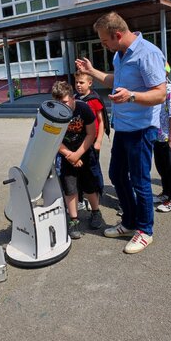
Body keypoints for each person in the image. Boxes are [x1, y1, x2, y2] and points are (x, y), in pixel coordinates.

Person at [76, 11, 166, 254]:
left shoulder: (148, 53)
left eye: (105, 41)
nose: (104, 45)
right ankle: (129, 222)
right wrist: (92, 71)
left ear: (117, 35)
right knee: (116, 175)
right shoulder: (120, 54)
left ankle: (145, 231)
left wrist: (132, 95)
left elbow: (160, 93)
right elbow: (115, 80)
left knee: (140, 181)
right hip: (123, 128)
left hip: (141, 129)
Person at [52, 81, 103, 239]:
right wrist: (69, 155)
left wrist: (78, 154)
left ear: (72, 98)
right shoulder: (53, 112)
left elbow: (91, 134)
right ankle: (74, 220)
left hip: (85, 152)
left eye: (65, 102)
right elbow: (53, 138)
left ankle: (95, 212)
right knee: (70, 188)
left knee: (89, 186)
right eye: (58, 103)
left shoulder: (83, 108)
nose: (63, 106)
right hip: (66, 154)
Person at [74, 71, 109, 210]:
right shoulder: (75, 98)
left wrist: (99, 141)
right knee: (79, 170)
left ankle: (97, 195)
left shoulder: (94, 99)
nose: (78, 85)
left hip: (92, 141)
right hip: (79, 141)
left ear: (90, 83)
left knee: (93, 170)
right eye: (76, 82)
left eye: (81, 82)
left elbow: (101, 122)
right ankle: (81, 198)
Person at [153, 62, 171, 212]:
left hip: (166, 137)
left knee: (170, 168)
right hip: (157, 136)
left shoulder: (169, 90)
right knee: (161, 166)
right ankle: (165, 193)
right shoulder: (158, 90)